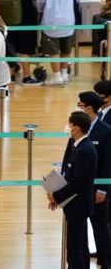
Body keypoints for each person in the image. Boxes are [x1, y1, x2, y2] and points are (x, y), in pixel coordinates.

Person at [48, 112, 98, 269]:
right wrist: (57, 197)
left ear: (76, 128)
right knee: (80, 247)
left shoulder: (84, 150)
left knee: (74, 249)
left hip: (78, 206)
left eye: (69, 124)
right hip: (74, 204)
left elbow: (77, 183)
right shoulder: (78, 146)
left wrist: (56, 196)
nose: (67, 127)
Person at [75, 91, 111, 269]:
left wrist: (103, 189)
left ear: (89, 108)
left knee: (100, 225)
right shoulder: (78, 128)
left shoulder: (106, 131)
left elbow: (108, 163)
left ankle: (106, 260)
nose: (78, 108)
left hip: (97, 189)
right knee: (80, 227)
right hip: (80, 188)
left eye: (80, 105)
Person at [36, 0, 79, 86]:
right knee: (66, 48)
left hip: (51, 20)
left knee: (53, 50)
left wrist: (40, 11)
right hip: (68, 18)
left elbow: (40, 2)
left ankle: (56, 77)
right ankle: (64, 73)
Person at [0, 0, 41, 85]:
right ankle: (27, 77)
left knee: (10, 46)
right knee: (25, 49)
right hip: (26, 19)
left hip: (8, 18)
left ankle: (11, 76)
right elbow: (37, 0)